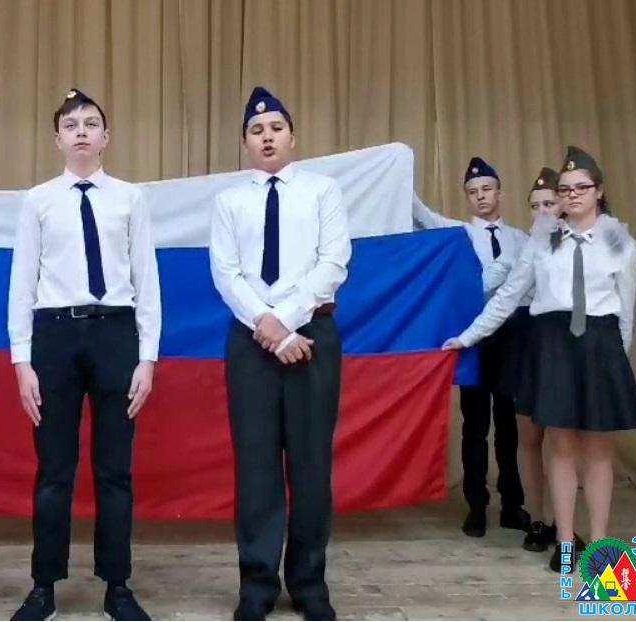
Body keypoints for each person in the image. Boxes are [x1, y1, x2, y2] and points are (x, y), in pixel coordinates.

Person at [444, 146, 636, 572]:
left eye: (581, 188)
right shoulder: (542, 242)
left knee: (598, 451)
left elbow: (626, 311)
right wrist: (467, 336)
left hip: (599, 345)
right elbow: (507, 297)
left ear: (599, 191)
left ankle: (601, 544)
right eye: (565, 190)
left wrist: (616, 364)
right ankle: (565, 542)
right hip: (552, 344)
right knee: (561, 446)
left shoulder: (619, 242)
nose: (572, 196)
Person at [8, 87, 160, 622]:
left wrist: (147, 357)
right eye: (70, 125)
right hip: (54, 335)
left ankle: (117, 585)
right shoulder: (38, 201)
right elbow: (22, 282)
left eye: (90, 123)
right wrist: (22, 361)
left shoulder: (130, 200)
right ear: (57, 139)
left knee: (115, 469)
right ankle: (43, 586)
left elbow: (146, 279)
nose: (81, 132)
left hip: (116, 333)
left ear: (105, 136)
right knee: (54, 468)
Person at [209, 87, 350, 621]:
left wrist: (286, 322)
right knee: (256, 467)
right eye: (256, 131)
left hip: (312, 338)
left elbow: (333, 262)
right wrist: (268, 328)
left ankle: (309, 583)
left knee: (311, 465)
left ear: (293, 136)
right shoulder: (229, 201)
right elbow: (226, 274)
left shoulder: (322, 191)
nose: (266, 138)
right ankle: (257, 585)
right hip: (251, 341)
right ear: (245, 143)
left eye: (275, 129)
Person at [413, 157, 531, 538]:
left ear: (500, 192)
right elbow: (422, 217)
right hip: (474, 338)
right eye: (473, 192)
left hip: (511, 338)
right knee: (475, 424)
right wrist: (396, 170)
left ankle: (512, 505)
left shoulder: (522, 239)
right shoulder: (459, 235)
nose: (481, 197)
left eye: (487, 189)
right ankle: (476, 506)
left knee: (510, 425)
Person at [508, 167, 562, 553]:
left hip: (564, 344)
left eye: (549, 203)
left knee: (562, 440)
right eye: (534, 205)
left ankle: (563, 523)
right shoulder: (525, 246)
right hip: (527, 340)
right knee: (529, 436)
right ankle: (538, 519)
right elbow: (505, 295)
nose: (542, 211)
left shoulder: (585, 244)